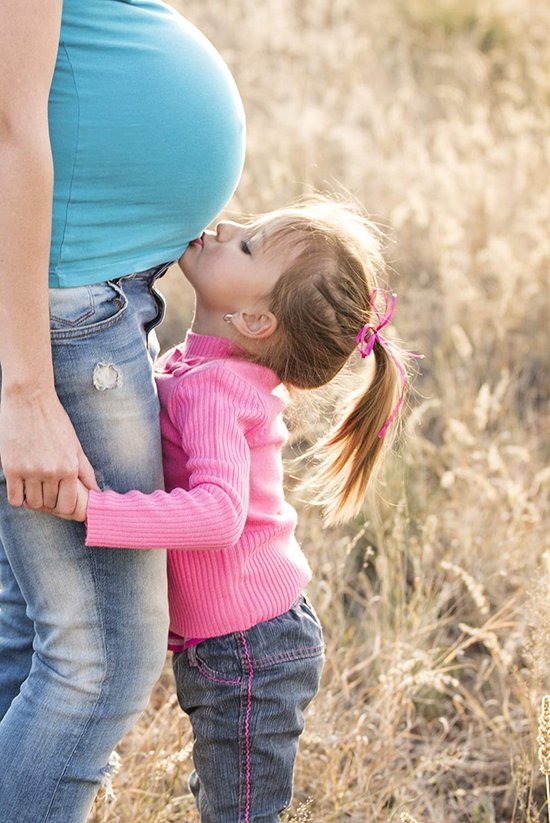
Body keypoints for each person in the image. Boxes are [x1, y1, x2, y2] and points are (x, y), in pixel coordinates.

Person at [49, 197, 416, 822]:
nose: (227, 227)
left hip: (253, 650)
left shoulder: (217, 390)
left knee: (240, 812)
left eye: (247, 245)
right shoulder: (203, 366)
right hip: (243, 641)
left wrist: (94, 509)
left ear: (253, 320)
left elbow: (219, 515)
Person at [0, 1, 245, 821]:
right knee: (98, 657)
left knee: (31, 631)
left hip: (76, 290)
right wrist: (27, 391)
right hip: (56, 299)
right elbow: (7, 121)